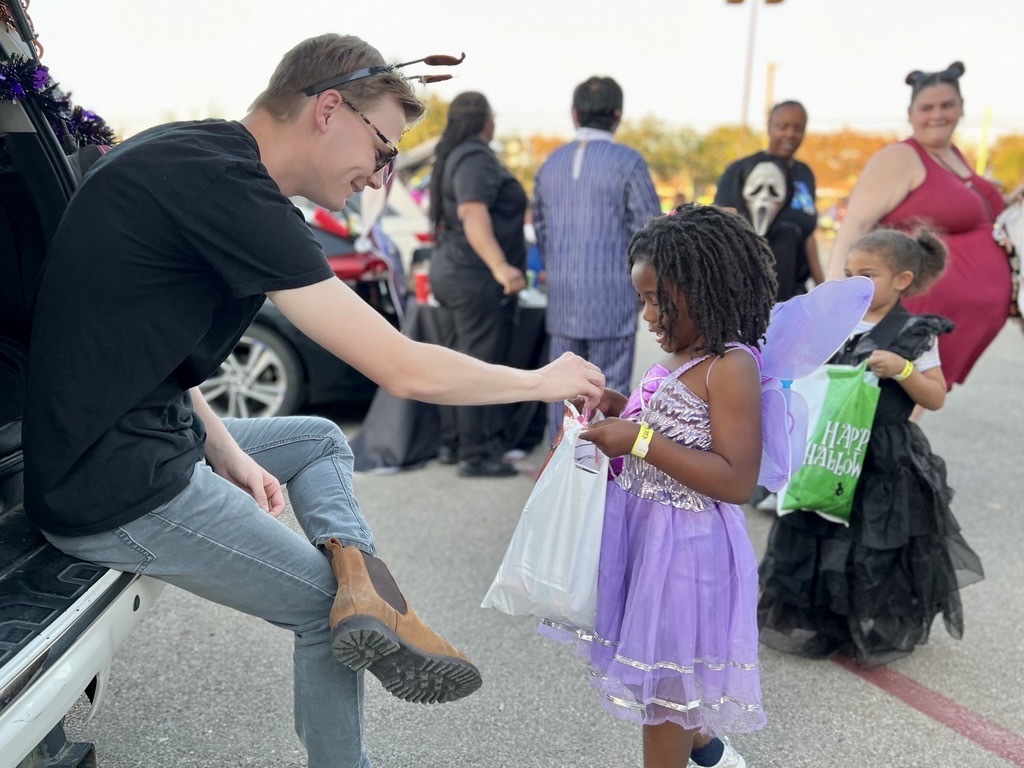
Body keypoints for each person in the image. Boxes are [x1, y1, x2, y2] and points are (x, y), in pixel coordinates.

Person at [22, 34, 604, 768]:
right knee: (319, 610)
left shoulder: (198, 157)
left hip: (138, 435)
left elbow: (147, 346)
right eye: (383, 146)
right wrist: (542, 380)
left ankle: (365, 583)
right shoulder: (231, 193)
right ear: (329, 109)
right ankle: (356, 612)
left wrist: (226, 449)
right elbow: (403, 368)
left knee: (322, 438)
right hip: (112, 484)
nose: (382, 174)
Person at [542, 205, 778, 768]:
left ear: (706, 290)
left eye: (657, 300)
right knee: (665, 669)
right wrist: (616, 411)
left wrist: (640, 440)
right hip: (650, 538)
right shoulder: (681, 356)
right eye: (642, 299)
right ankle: (709, 752)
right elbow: (666, 423)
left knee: (663, 693)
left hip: (688, 551)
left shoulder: (731, 366)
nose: (646, 314)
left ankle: (687, 752)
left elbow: (736, 478)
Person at [759, 228, 984, 666]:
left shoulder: (916, 332)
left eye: (868, 275)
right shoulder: (832, 322)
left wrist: (902, 370)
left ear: (901, 280)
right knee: (815, 530)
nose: (856, 284)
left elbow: (935, 396)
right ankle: (820, 620)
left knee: (873, 543)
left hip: (882, 456)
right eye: (848, 274)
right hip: (828, 447)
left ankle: (865, 621)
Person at [827, 62, 1024, 389]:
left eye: (947, 105)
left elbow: (978, 218)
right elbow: (855, 225)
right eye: (927, 107)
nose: (937, 114)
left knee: (906, 416)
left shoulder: (955, 156)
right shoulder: (900, 158)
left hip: (949, 321)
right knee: (884, 416)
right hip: (911, 315)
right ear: (910, 113)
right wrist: (835, 299)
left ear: (961, 108)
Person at [532, 75, 662, 444]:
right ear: (618, 115)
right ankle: (602, 478)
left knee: (560, 387)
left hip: (563, 296)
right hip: (613, 295)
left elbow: (540, 228)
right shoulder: (629, 162)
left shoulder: (551, 163)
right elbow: (649, 235)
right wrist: (649, 294)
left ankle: (558, 469)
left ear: (575, 114)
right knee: (609, 389)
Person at [427, 91, 530, 477]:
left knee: (458, 358)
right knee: (478, 363)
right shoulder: (474, 157)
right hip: (473, 276)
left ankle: (454, 444)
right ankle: (476, 453)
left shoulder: (452, 155)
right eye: (493, 115)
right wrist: (502, 267)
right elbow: (472, 211)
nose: (496, 123)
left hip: (453, 270)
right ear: (482, 120)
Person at [714, 100, 823, 302]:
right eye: (783, 126)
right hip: (746, 292)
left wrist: (823, 290)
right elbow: (721, 226)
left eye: (798, 128)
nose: (790, 134)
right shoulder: (741, 171)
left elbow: (808, 234)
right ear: (769, 127)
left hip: (793, 291)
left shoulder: (804, 173)